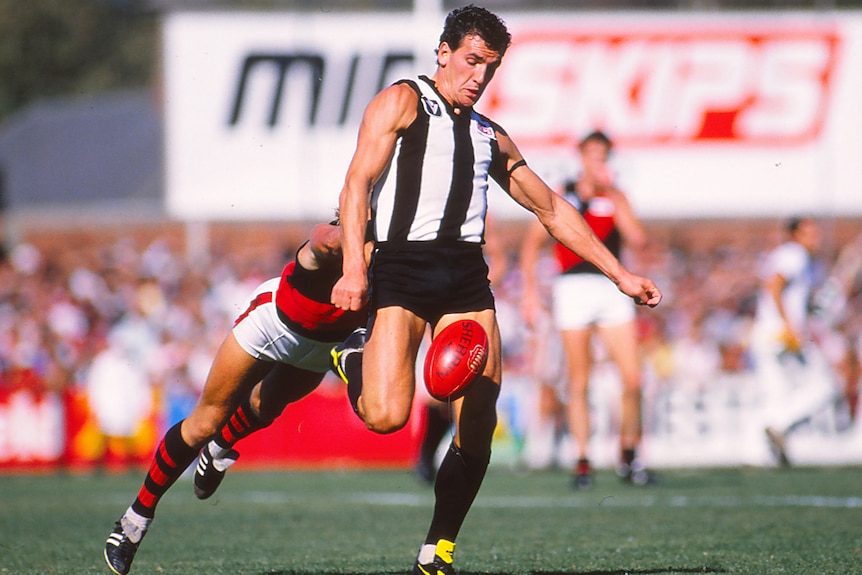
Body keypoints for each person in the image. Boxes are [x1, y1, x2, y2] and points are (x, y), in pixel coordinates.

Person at [329, 7, 662, 575]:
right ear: (443, 52)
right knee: (385, 416)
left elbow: (552, 208)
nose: (480, 76)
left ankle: (439, 546)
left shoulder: (490, 135)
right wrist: (354, 269)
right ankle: (352, 356)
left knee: (478, 424)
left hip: (464, 280)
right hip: (401, 271)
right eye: (472, 60)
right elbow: (357, 182)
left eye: (491, 66)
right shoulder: (402, 101)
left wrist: (620, 274)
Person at [103, 219, 370, 575]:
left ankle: (218, 451)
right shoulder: (335, 237)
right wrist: (366, 236)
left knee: (266, 408)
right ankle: (134, 520)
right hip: (274, 326)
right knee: (204, 423)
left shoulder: (397, 254)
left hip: (325, 347)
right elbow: (326, 239)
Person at [519, 130, 653, 489]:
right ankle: (582, 459)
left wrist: (612, 194)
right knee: (579, 379)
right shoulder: (563, 195)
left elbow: (637, 238)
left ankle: (629, 453)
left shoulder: (615, 196)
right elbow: (532, 244)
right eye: (592, 154)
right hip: (573, 287)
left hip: (611, 287)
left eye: (603, 155)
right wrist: (530, 293)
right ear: (581, 156)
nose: (597, 161)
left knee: (632, 378)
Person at [751, 216, 842, 466]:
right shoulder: (794, 255)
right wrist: (789, 324)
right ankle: (780, 427)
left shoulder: (789, 256)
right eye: (810, 234)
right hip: (782, 334)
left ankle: (769, 452)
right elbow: (775, 285)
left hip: (768, 333)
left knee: (777, 394)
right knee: (825, 386)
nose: (817, 239)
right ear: (795, 236)